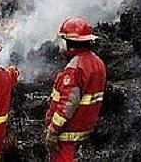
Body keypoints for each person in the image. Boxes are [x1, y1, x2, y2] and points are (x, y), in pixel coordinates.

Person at [44, 18, 106, 162]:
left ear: (70, 43)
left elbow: (67, 105)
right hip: (85, 134)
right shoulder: (98, 63)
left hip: (67, 138)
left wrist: (53, 131)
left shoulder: (75, 68)